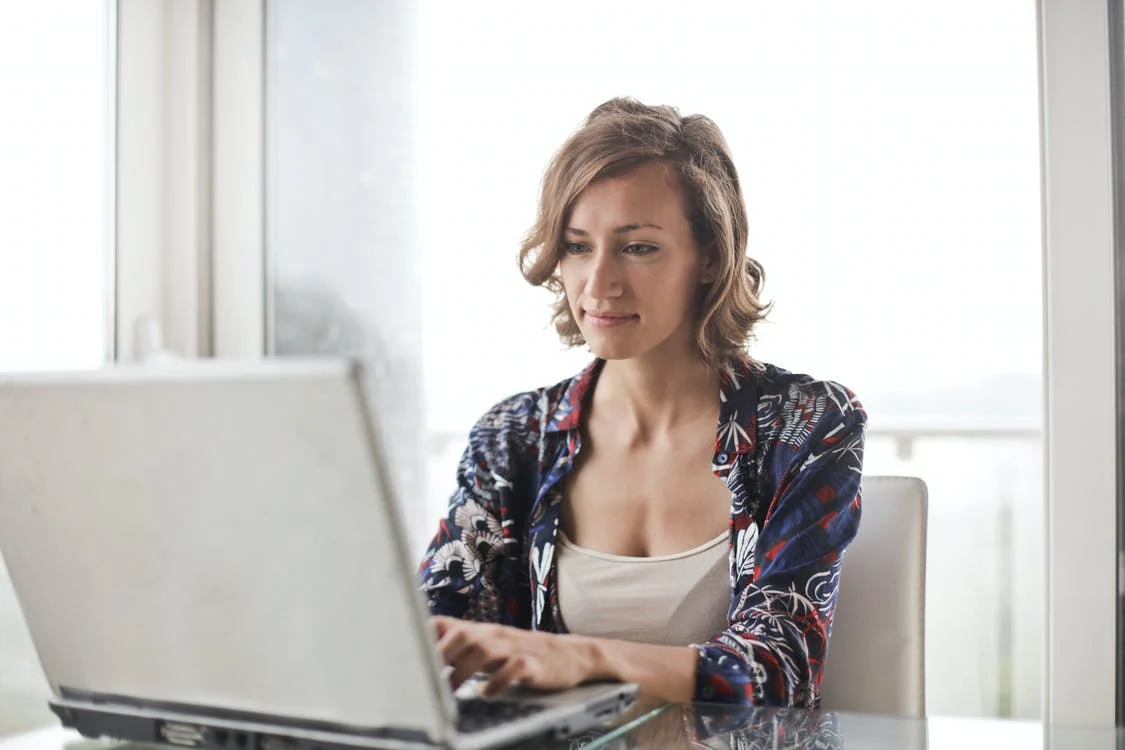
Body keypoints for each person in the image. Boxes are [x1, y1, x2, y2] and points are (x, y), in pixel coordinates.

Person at [418, 97, 866, 708]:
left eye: (638, 248)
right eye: (577, 247)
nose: (598, 283)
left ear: (709, 257)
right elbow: (430, 639)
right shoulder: (515, 437)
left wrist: (583, 657)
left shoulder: (806, 424)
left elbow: (781, 669)